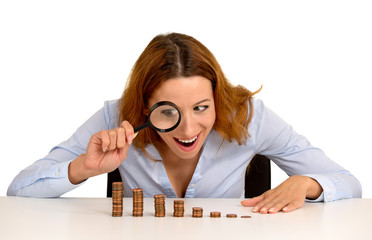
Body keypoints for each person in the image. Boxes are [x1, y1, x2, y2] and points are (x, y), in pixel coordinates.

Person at [7, 32, 362, 214]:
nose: (189, 129)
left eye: (202, 108)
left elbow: (349, 183)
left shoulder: (249, 117)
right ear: (143, 107)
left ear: (217, 98)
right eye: (168, 112)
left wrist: (308, 183)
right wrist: (83, 167)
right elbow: (18, 191)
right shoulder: (115, 116)